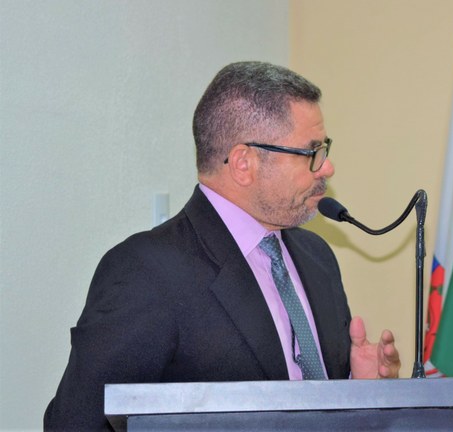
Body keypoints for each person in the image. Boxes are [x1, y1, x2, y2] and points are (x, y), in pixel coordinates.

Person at [44, 61, 401, 431]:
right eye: (311, 153)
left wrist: (361, 392)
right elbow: (77, 424)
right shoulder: (146, 272)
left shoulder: (317, 256)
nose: (327, 168)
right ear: (244, 163)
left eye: (324, 149)